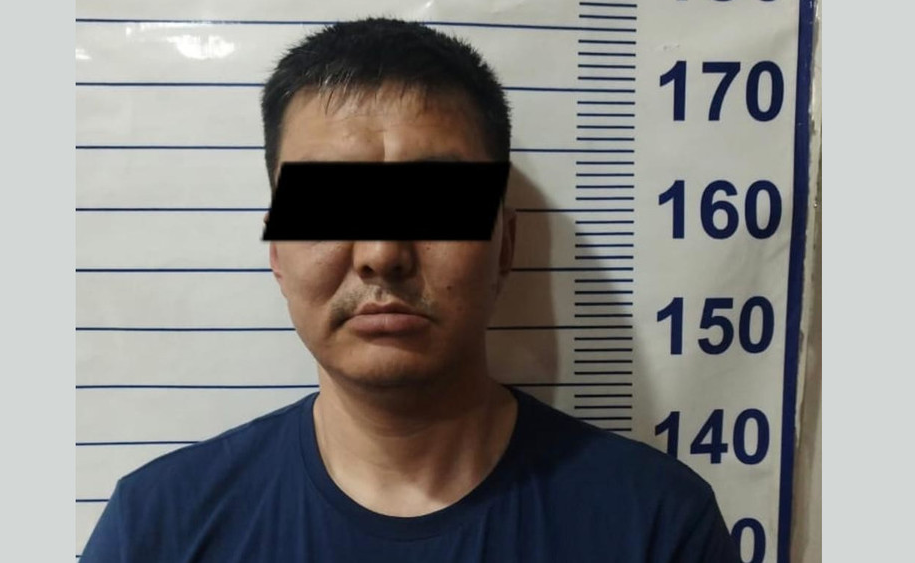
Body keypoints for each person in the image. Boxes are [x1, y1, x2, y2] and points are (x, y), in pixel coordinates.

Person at [81, 17, 740, 562]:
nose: (382, 254)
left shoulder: (656, 524)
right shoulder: (157, 529)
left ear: (506, 246)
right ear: (277, 250)